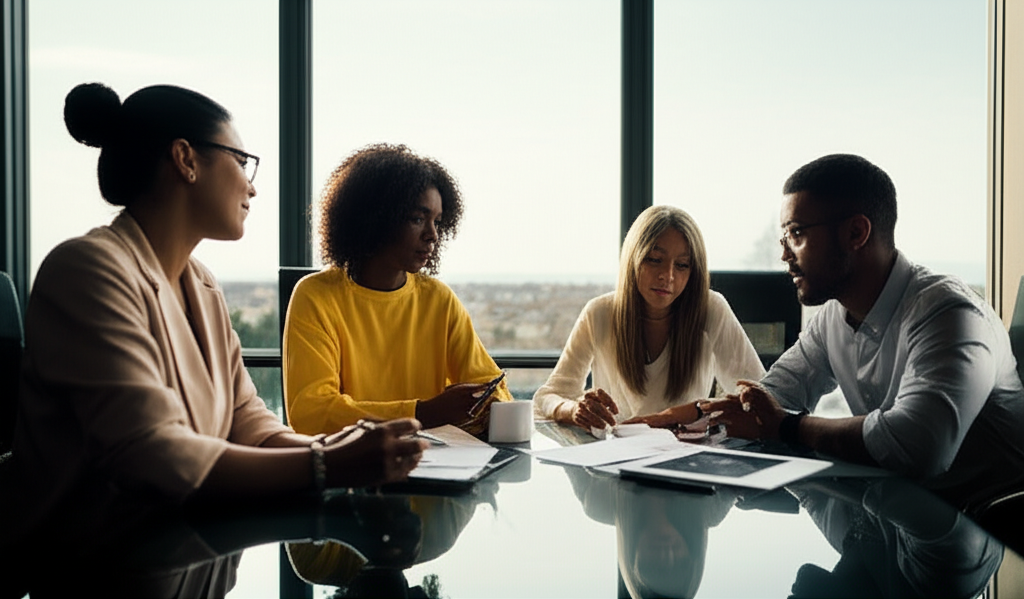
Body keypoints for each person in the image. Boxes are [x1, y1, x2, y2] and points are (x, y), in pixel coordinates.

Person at [10, 83, 427, 545]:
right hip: (100, 563)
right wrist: (329, 464)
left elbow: (250, 423)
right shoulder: (87, 271)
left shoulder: (202, 285)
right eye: (241, 161)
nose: (251, 185)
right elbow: (152, 453)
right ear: (186, 159)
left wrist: (343, 448)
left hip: (188, 551)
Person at [636, 154, 1024, 511]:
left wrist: (788, 426)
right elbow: (766, 401)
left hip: (985, 540)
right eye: (783, 239)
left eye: (797, 234)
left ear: (856, 233)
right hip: (898, 522)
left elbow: (920, 446)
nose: (784, 255)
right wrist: (670, 424)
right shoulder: (832, 319)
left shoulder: (949, 313)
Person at [283, 143, 510, 439]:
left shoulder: (438, 299)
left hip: (438, 468)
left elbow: (496, 393)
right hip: (350, 473)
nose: (432, 235)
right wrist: (424, 413)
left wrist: (487, 403)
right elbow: (310, 413)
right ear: (376, 219)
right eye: (418, 219)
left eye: (437, 222)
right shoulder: (316, 296)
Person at [533, 204, 764, 434]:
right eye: (655, 259)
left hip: (685, 457)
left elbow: (760, 399)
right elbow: (547, 397)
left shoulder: (710, 308)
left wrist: (679, 415)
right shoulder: (600, 312)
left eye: (682, 265)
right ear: (634, 257)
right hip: (614, 457)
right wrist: (574, 409)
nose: (668, 275)